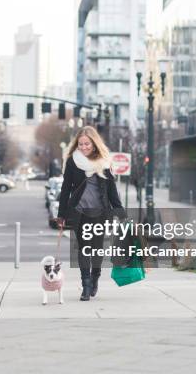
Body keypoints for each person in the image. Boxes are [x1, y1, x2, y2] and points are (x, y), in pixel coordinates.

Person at [56, 126, 123, 301]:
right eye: (80, 144)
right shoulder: (72, 161)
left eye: (87, 144)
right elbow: (65, 189)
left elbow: (111, 188)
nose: (84, 147)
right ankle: (85, 285)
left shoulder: (104, 161)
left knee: (97, 249)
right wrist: (61, 214)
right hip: (79, 212)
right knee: (84, 248)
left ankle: (95, 278)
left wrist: (119, 210)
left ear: (94, 144)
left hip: (100, 212)